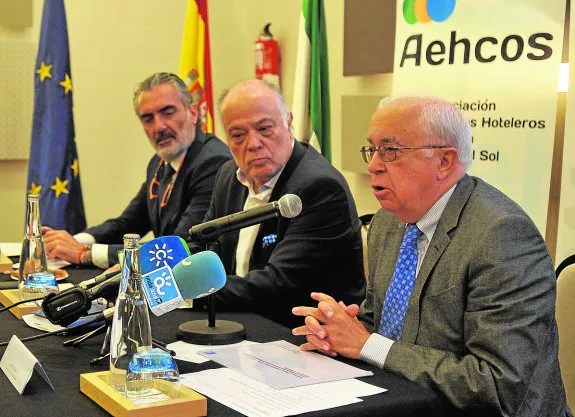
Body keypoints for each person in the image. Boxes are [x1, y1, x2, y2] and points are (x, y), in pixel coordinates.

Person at [292, 97, 571, 417]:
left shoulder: (502, 237)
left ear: (445, 161)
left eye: (390, 150)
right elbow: (383, 326)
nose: (373, 165)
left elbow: (496, 385)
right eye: (372, 149)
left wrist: (367, 344)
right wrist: (338, 331)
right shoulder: (389, 221)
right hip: (402, 401)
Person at [191, 79, 365, 327]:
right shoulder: (229, 175)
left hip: (300, 337)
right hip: (239, 321)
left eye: (264, 129)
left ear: (288, 123)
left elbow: (278, 285)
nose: (253, 144)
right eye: (238, 135)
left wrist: (188, 294)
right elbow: (205, 245)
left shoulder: (319, 187)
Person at [42, 72, 231, 268]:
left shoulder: (213, 162)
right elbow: (128, 224)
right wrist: (76, 241)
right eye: (148, 118)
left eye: (168, 112)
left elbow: (178, 247)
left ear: (193, 113)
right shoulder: (159, 163)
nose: (159, 126)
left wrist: (84, 253)